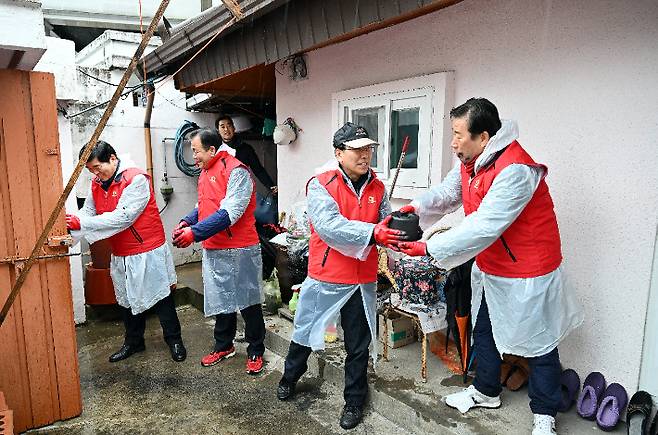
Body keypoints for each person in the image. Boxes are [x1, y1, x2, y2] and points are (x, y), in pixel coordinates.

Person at [394, 98, 583, 435]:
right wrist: (415, 208)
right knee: (485, 333)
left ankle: (544, 415)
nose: (453, 143)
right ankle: (486, 391)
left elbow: (484, 225)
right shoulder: (473, 161)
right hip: (493, 266)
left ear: (483, 137)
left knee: (539, 344)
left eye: (458, 135)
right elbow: (449, 193)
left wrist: (428, 247)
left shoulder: (516, 171)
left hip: (528, 272)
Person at [276, 122, 403, 430]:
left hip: (361, 280)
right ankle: (290, 377)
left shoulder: (377, 187)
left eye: (368, 148)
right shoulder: (321, 184)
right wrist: (374, 232)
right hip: (327, 275)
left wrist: (401, 228)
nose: (365, 154)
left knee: (358, 345)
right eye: (357, 149)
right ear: (338, 153)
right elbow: (329, 226)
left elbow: (385, 221)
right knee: (305, 331)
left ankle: (354, 400)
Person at [67, 141, 186, 363]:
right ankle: (134, 342)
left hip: (147, 249)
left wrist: (83, 225)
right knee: (126, 299)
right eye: (90, 170)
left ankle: (174, 340)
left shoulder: (136, 179)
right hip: (121, 251)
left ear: (112, 158)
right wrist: (76, 222)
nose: (94, 173)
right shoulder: (97, 183)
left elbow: (124, 216)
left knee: (162, 297)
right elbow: (90, 211)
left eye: (96, 167)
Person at [172, 128, 266, 375]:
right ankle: (224, 345)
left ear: (212, 150)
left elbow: (230, 213)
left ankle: (256, 348)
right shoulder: (205, 171)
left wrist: (194, 233)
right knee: (221, 297)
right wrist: (187, 222)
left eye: (197, 151)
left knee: (248, 300)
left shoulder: (237, 171)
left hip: (241, 247)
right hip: (215, 247)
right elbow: (204, 206)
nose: (194, 157)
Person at [215, 115, 278, 195]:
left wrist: (270, 186)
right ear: (218, 130)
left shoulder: (246, 149)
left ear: (234, 128)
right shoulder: (214, 149)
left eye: (229, 125)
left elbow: (258, 170)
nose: (226, 129)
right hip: (219, 192)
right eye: (222, 127)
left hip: (240, 192)